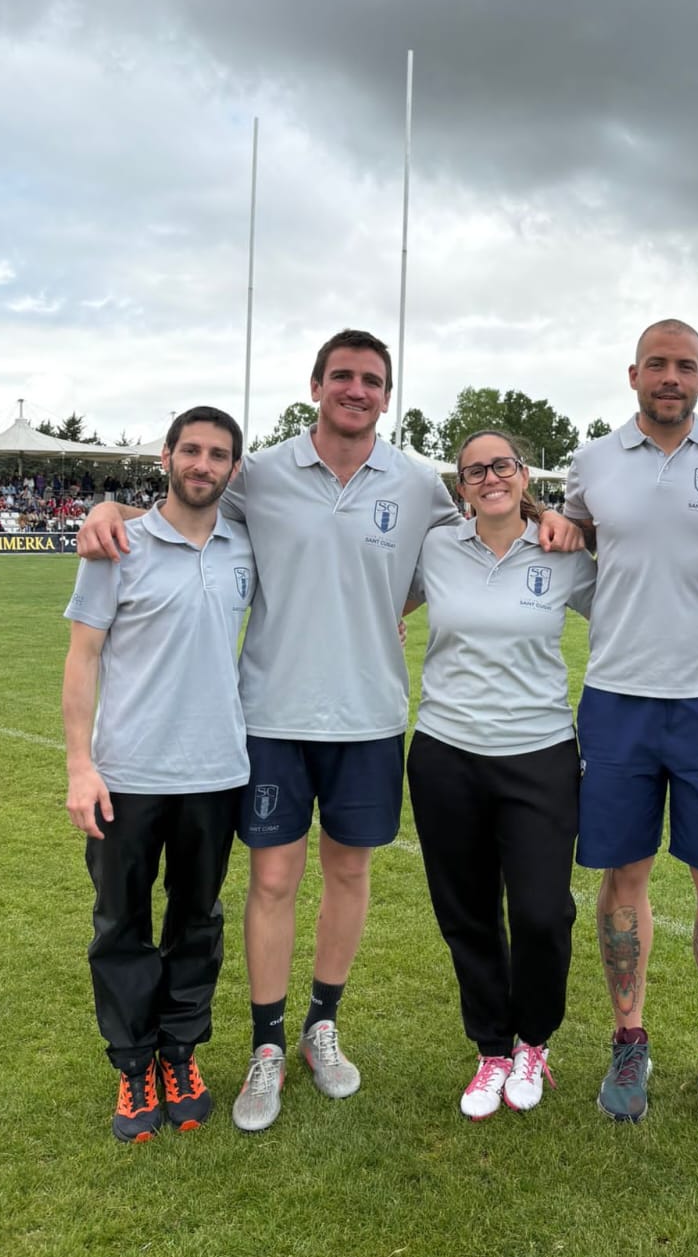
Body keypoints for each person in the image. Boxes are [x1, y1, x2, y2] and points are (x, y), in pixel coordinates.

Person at [77, 329, 579, 1134]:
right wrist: (113, 508)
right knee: (273, 883)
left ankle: (322, 1026)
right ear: (317, 384)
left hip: (373, 719)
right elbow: (187, 502)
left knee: (348, 878)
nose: (356, 389)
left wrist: (550, 514)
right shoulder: (265, 471)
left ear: (387, 394)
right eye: (342, 376)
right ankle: (267, 1046)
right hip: (273, 716)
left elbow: (479, 529)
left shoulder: (417, 482)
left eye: (372, 380)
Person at [561, 318, 698, 1138]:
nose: (670, 377)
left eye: (685, 366)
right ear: (633, 375)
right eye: (657, 364)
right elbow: (569, 537)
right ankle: (628, 1039)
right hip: (616, 696)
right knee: (626, 876)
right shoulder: (593, 462)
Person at [63, 406, 252, 1142]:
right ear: (167, 456)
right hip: (127, 774)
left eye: (219, 455)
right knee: (121, 925)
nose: (204, 464)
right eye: (192, 450)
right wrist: (81, 766)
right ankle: (134, 1063)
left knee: (197, 922)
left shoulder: (245, 547)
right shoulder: (118, 544)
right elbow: (82, 657)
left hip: (216, 772)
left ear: (234, 468)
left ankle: (181, 1054)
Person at [406, 431, 596, 1118]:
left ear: (523, 476)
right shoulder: (435, 548)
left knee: (543, 912)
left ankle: (533, 1041)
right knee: (467, 911)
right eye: (475, 470)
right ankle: (491, 1048)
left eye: (503, 466)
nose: (490, 478)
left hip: (539, 754)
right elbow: (380, 599)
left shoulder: (560, 548)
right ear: (460, 487)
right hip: (445, 754)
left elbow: (626, 614)